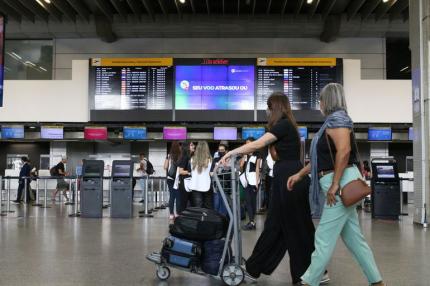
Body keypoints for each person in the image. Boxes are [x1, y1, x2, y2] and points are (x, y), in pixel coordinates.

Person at [220, 92, 322, 284]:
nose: (267, 111)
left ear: (274, 107)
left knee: (291, 227)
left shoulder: (283, 124)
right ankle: (258, 268)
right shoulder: (287, 125)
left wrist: (231, 152)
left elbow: (258, 144)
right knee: (285, 226)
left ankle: (308, 272)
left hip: (289, 178)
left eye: (268, 107)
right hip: (288, 176)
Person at [287, 83, 384, 286]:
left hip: (338, 186)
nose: (319, 104)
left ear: (327, 100)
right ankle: (377, 282)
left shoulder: (338, 120)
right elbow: (320, 160)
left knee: (323, 237)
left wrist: (335, 185)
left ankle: (308, 281)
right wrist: (299, 174)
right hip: (336, 182)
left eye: (321, 100)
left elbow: (344, 151)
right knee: (355, 240)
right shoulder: (331, 122)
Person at [239, 137, 262, 231]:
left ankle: (252, 222)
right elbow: (241, 167)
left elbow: (257, 169)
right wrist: (243, 157)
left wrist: (256, 183)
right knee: (248, 201)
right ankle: (251, 222)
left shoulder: (258, 155)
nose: (247, 144)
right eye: (246, 143)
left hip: (253, 181)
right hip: (246, 180)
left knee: (252, 202)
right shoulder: (246, 155)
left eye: (249, 143)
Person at [189, 141, 213, 209]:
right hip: (206, 185)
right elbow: (210, 172)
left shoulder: (192, 159)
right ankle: (207, 219)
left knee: (197, 208)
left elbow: (191, 171)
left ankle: (199, 219)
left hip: (195, 185)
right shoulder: (210, 160)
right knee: (208, 207)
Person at [164, 142, 182, 220]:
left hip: (170, 178)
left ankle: (171, 214)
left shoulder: (169, 155)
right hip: (178, 178)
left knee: (172, 196)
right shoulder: (181, 155)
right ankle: (177, 214)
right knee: (178, 196)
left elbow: (165, 167)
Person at [177, 142, 196, 213]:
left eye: (193, 145)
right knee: (183, 203)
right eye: (191, 145)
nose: (194, 146)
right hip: (184, 184)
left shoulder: (191, 157)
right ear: (187, 147)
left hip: (189, 183)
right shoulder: (184, 157)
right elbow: (180, 171)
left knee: (190, 203)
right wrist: (191, 172)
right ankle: (180, 220)